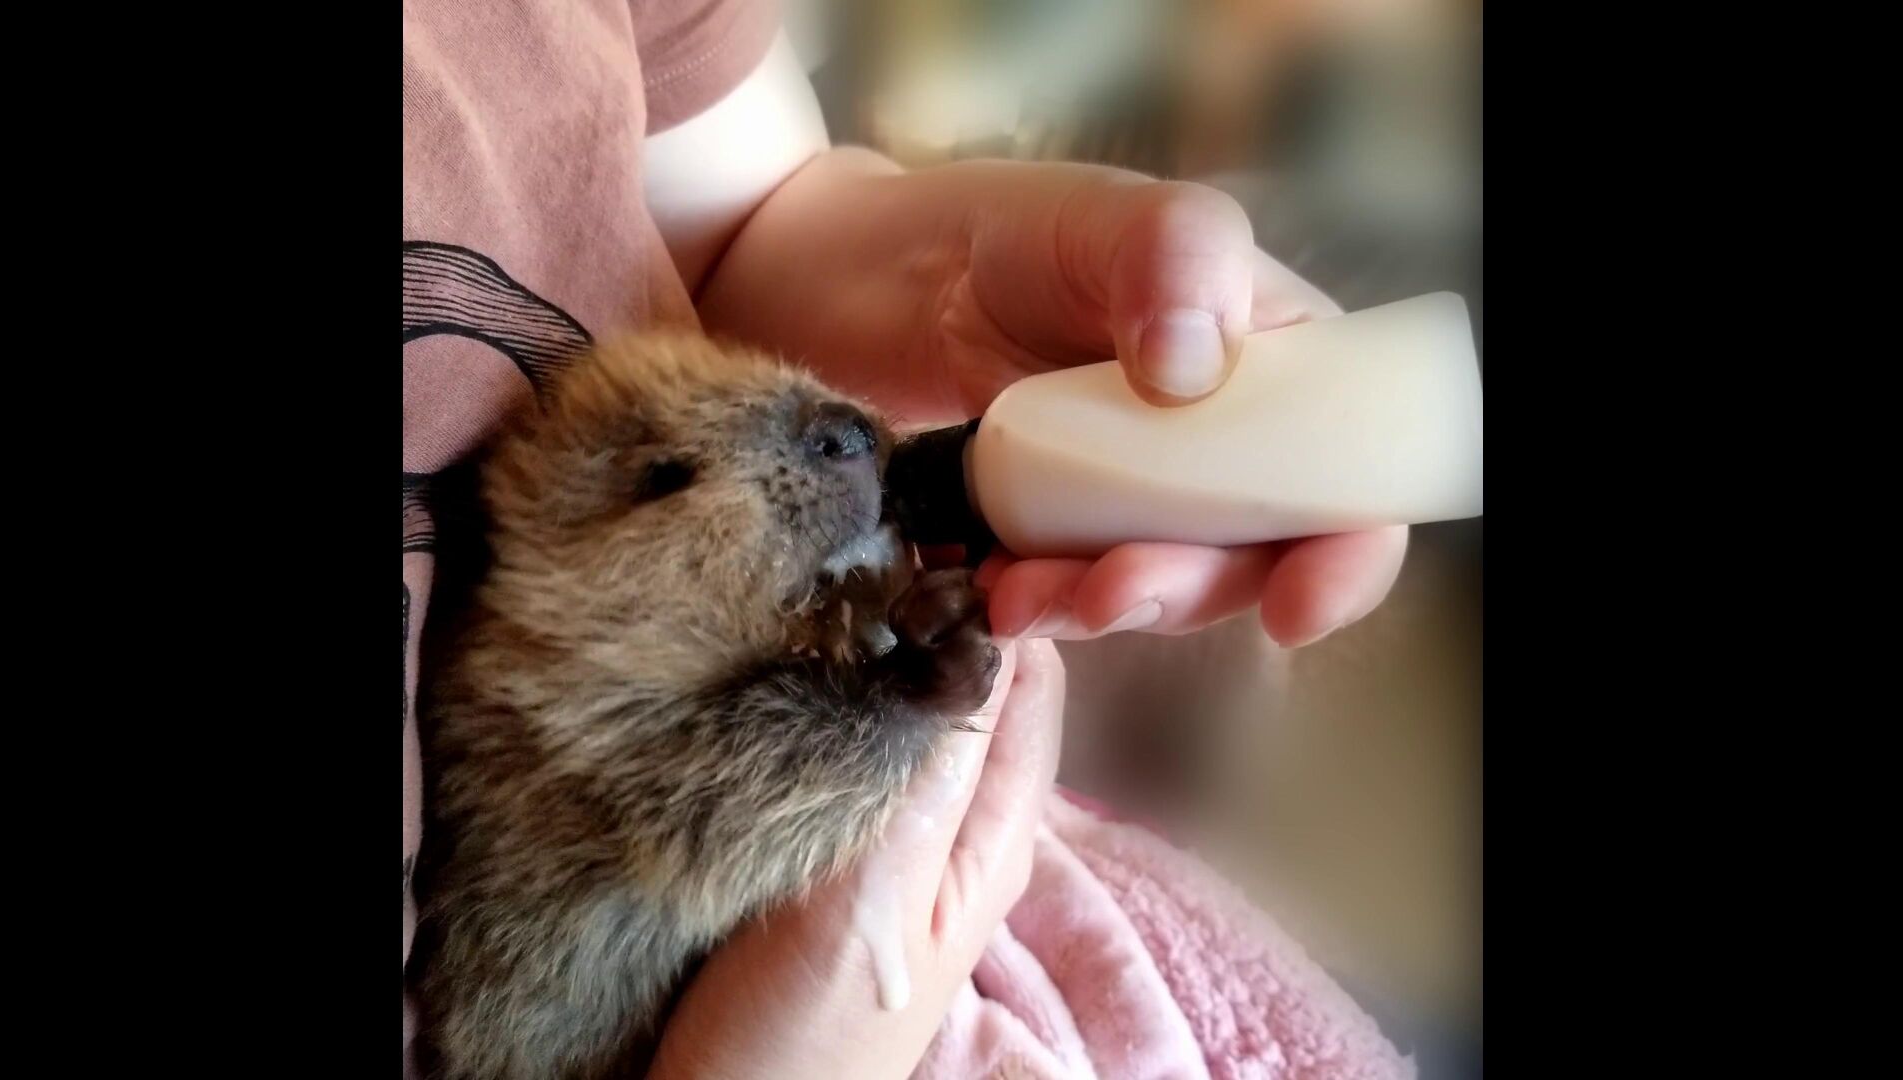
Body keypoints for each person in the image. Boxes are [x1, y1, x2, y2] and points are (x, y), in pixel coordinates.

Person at [403, 2, 1409, 1075]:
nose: (843, 444)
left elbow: (750, 219)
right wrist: (893, 711)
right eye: (670, 480)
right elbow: (706, 816)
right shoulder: (558, 710)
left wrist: (955, 282)